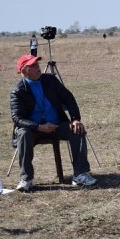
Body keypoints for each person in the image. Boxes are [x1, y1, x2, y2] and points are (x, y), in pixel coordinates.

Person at [10, 54, 97, 192]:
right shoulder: (18, 91)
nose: (37, 67)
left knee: (77, 129)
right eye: (32, 66)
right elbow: (17, 118)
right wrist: (38, 126)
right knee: (23, 133)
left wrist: (75, 119)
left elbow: (68, 98)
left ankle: (80, 174)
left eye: (37, 64)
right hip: (33, 128)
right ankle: (27, 179)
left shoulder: (50, 80)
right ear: (23, 70)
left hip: (57, 125)